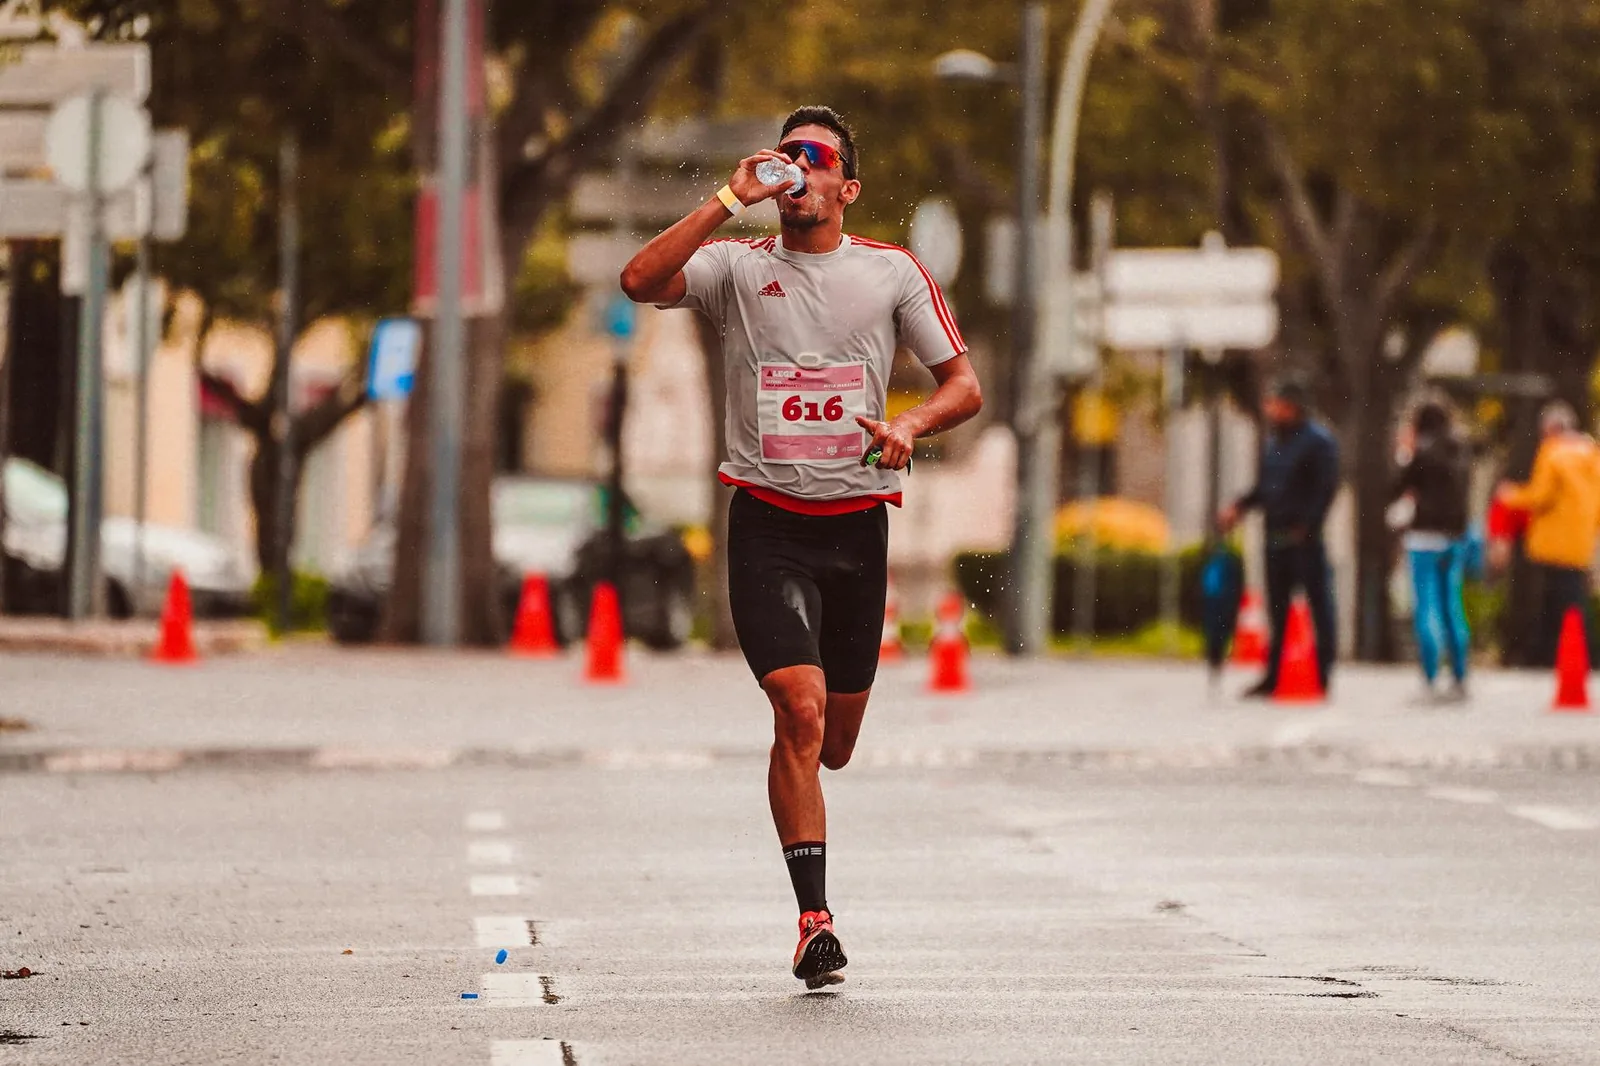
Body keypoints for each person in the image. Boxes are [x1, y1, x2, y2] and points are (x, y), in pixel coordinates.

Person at [619, 106, 983, 988]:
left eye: (815, 159)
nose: (796, 170)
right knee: (800, 709)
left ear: (847, 188)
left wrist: (910, 425)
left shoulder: (891, 273)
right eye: (787, 156)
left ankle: (809, 804)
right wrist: (727, 197)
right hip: (768, 525)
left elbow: (964, 385)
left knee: (837, 742)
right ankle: (814, 920)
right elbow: (638, 279)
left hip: (857, 527)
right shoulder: (736, 267)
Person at [1218, 375, 1340, 698]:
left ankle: (1322, 673)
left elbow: (1325, 489)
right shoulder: (1275, 442)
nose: (1269, 409)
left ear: (1292, 406)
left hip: (1305, 540)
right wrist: (1239, 507)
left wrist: (1308, 524)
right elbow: (1266, 488)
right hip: (1275, 535)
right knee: (1277, 607)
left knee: (1318, 606)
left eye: (1275, 403)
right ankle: (1273, 675)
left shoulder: (1318, 442)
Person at [1496, 401, 1600, 666]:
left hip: (1553, 542)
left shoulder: (1553, 453)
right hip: (1580, 541)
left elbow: (1541, 496)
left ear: (1551, 429)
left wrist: (1511, 495)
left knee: (1557, 602)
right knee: (1570, 600)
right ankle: (1568, 653)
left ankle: (1553, 655)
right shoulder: (1592, 454)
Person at [1390, 398, 1472, 701]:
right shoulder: (1460, 449)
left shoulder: (1421, 452)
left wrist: (1404, 453)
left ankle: (1430, 674)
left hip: (1424, 537)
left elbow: (1397, 487)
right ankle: (1460, 673)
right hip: (1454, 536)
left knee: (1427, 606)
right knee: (1452, 605)